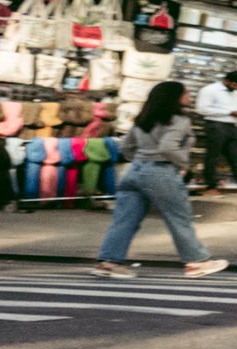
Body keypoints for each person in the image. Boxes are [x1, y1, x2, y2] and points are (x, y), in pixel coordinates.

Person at [94, 79, 229, 277]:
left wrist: (140, 161)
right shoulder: (179, 120)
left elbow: (125, 148)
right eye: (186, 93)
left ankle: (109, 261)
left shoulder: (143, 119)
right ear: (175, 97)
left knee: (124, 220)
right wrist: (184, 164)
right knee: (179, 218)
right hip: (161, 172)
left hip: (133, 172)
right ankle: (196, 261)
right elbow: (168, 147)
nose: (189, 97)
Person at [191, 72, 237, 189]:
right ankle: (211, 185)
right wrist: (229, 112)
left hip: (232, 126)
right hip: (215, 125)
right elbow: (202, 109)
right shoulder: (209, 90)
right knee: (213, 156)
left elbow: (236, 109)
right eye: (235, 85)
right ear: (226, 81)